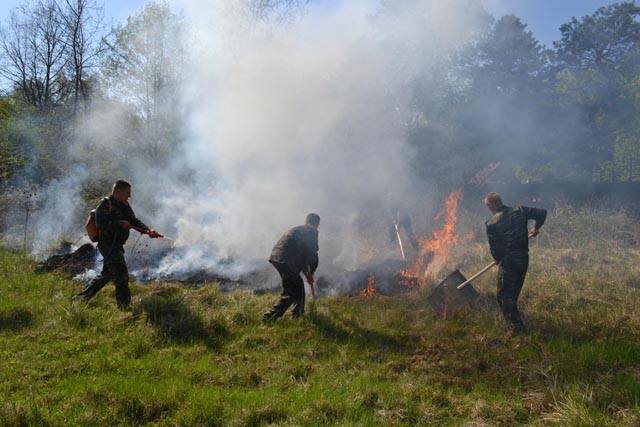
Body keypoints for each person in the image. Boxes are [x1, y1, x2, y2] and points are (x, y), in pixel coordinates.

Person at [74, 180, 162, 308]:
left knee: (106, 275)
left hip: (117, 245)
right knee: (121, 275)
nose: (129, 196)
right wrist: (119, 223)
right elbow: (101, 224)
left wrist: (148, 230)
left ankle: (81, 298)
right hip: (108, 245)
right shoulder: (105, 204)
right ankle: (124, 306)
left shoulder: (125, 204)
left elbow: (133, 220)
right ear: (118, 191)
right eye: (127, 193)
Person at [484, 192, 546, 332]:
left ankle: (517, 330)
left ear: (490, 205)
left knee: (504, 297)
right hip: (523, 258)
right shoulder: (520, 210)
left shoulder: (491, 223)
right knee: (512, 294)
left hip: (509, 262)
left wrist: (499, 260)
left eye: (487, 206)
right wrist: (536, 228)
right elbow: (542, 213)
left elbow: (495, 250)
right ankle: (514, 320)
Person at [263, 213, 320, 322]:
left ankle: (297, 315)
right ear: (317, 223)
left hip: (277, 257)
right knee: (291, 292)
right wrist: (311, 271)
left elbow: (302, 255)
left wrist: (307, 273)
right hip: (287, 260)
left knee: (297, 286)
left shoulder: (299, 229)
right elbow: (312, 254)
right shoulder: (312, 231)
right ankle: (269, 317)